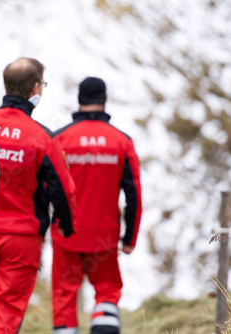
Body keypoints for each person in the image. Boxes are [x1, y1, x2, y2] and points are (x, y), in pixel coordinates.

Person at [0, 57, 77, 334]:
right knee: (4, 315)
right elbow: (63, 189)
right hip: (21, 240)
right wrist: (67, 224)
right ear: (35, 88)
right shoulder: (42, 137)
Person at [51, 77, 142, 334]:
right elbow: (133, 194)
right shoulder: (122, 142)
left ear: (79, 100)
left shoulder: (60, 139)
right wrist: (129, 238)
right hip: (104, 236)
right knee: (107, 291)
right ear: (104, 100)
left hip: (65, 234)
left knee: (64, 296)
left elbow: (48, 188)